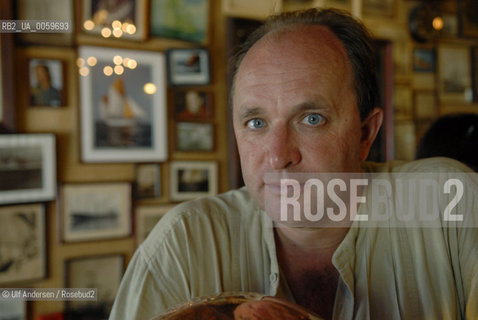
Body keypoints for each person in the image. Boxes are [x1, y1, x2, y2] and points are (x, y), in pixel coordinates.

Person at [109, 8, 477, 320]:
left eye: (311, 119)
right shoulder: (184, 243)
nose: (278, 155)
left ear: (366, 133)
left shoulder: (450, 207)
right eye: (256, 123)